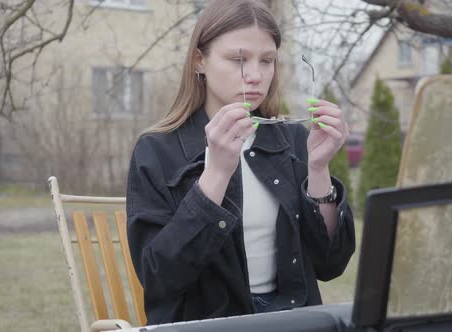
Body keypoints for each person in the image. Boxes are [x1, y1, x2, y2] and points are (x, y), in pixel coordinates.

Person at [126, 0, 356, 325]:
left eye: (267, 61)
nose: (255, 76)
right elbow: (159, 277)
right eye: (238, 60)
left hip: (293, 320)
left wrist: (319, 170)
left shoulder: (291, 140)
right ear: (199, 61)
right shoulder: (157, 151)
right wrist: (217, 172)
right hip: (207, 324)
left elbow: (331, 265)